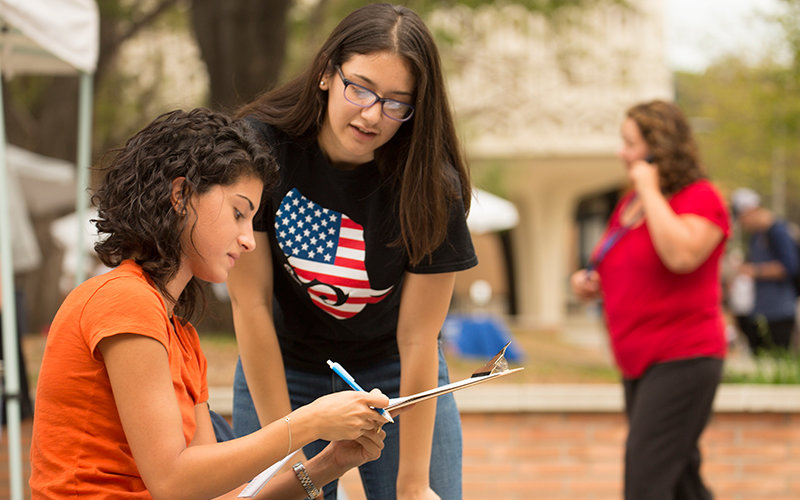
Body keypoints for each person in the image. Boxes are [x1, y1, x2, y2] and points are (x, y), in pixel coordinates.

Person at [29, 108, 391, 499]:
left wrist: (328, 465)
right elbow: (173, 482)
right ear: (181, 195)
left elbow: (212, 494)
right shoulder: (123, 299)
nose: (249, 239)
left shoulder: (180, 335)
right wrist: (308, 422)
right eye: (239, 214)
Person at [225, 4, 477, 499]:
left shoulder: (431, 186)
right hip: (285, 364)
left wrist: (413, 484)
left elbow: (420, 339)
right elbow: (249, 304)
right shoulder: (260, 147)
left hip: (394, 373)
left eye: (395, 103)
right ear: (326, 73)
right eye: (358, 88)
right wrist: (290, 454)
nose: (371, 114)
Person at [570, 100, 729, 500]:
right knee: (679, 482)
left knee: (645, 478)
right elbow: (628, 269)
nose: (621, 153)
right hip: (637, 359)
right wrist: (590, 283)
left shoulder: (700, 197)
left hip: (683, 356)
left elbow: (681, 256)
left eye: (630, 143)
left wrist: (648, 187)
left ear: (660, 147)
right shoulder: (629, 206)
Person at [729, 187, 798, 354]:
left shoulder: (778, 231)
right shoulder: (756, 236)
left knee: (779, 360)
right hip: (760, 311)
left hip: (779, 312)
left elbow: (790, 267)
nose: (742, 223)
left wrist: (755, 271)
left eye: (742, 217)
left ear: (751, 210)